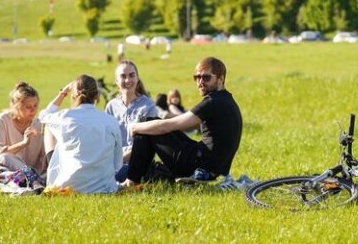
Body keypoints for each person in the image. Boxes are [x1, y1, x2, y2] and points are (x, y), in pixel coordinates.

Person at [121, 57, 242, 188]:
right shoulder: (226, 99)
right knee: (149, 125)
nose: (200, 82)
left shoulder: (212, 102)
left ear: (221, 79)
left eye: (206, 77)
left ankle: (131, 181)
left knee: (146, 125)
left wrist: (135, 127)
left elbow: (170, 125)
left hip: (200, 167)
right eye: (197, 77)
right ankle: (134, 172)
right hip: (213, 167)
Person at [39, 75, 122, 194]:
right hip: (105, 187)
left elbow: (43, 116)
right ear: (97, 95)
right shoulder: (111, 121)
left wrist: (62, 94)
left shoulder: (63, 117)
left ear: (73, 95)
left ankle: (53, 170)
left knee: (49, 127)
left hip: (68, 186)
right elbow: (117, 163)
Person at [104, 60, 158, 182]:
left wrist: (117, 162)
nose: (128, 80)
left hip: (139, 164)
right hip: (115, 164)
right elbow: (106, 141)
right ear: (116, 81)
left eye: (131, 75)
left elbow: (147, 145)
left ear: (137, 78)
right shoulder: (111, 107)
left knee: (108, 176)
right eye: (123, 76)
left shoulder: (148, 106)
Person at [0, 82, 46, 174]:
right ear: (16, 105)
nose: (33, 110)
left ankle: (32, 177)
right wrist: (23, 143)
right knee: (5, 157)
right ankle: (30, 176)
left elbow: (44, 158)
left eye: (35, 105)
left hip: (37, 173)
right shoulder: (3, 120)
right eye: (28, 107)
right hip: (9, 171)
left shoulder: (39, 125)